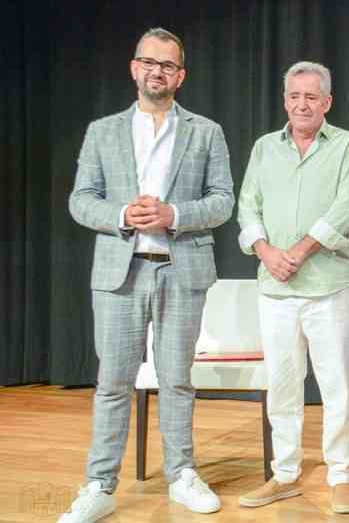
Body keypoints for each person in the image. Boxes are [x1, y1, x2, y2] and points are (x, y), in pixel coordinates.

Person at [63, 27, 234, 522]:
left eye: (167, 65)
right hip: (121, 272)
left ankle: (182, 473)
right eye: (148, 62)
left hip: (182, 270)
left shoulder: (206, 131)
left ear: (180, 75)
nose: (157, 71)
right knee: (113, 382)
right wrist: (121, 215)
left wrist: (173, 215)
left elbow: (222, 200)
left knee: (178, 380)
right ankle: (99, 483)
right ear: (134, 68)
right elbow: (80, 199)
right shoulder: (103, 131)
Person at [236, 61, 349, 514]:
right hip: (275, 288)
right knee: (283, 386)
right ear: (285, 100)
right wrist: (267, 251)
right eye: (294, 96)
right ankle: (285, 474)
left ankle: (341, 476)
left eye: (312, 96)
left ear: (327, 102)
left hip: (328, 287)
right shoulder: (264, 147)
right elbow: (247, 205)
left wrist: (303, 249)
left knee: (335, 388)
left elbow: (347, 205)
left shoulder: (348, 144)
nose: (302, 104)